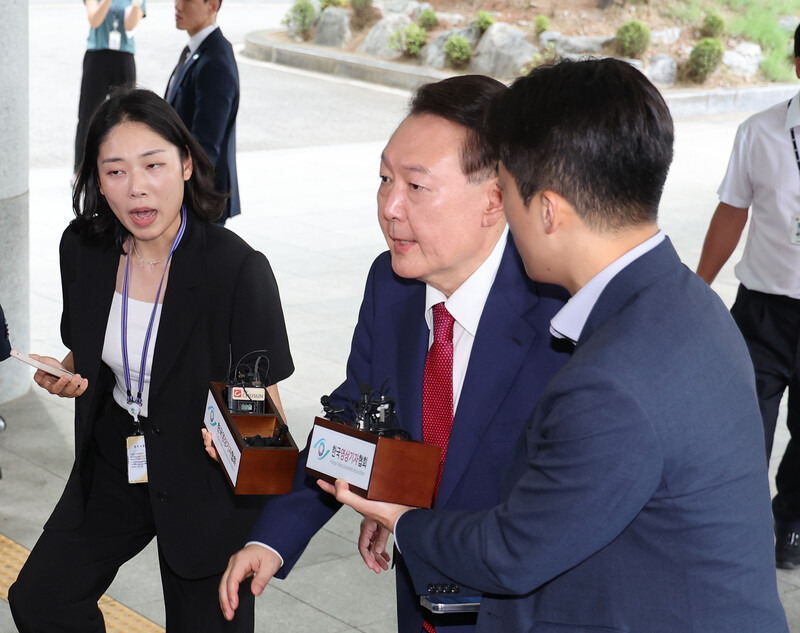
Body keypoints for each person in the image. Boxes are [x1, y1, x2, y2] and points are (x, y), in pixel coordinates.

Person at [321, 59, 790, 632]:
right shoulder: (685, 300)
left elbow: (513, 551)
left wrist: (402, 518)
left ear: (547, 210)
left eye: (508, 192)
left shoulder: (613, 378)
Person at [215, 75, 571, 633]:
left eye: (416, 185)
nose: (389, 207)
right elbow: (354, 420)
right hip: (423, 595)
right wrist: (274, 538)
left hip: (527, 609)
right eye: (384, 179)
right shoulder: (392, 284)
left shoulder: (558, 309)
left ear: (495, 199)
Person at [8, 88, 293, 633]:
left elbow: (266, 421)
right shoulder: (84, 248)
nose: (136, 187)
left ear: (185, 164)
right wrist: (68, 374)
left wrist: (251, 472)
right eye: (115, 171)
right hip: (119, 455)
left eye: (153, 165)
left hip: (206, 475)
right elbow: (95, 349)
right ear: (97, 179)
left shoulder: (236, 269)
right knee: (42, 599)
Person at [696, 25, 800, 570]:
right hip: (762, 311)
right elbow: (732, 211)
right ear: (799, 66)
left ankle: (792, 524)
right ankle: (742, 529)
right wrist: (698, 285)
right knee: (743, 426)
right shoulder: (760, 132)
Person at [166, 0, 240, 225]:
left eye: (187, 0)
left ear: (212, 6)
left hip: (200, 200)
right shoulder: (196, 49)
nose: (178, 6)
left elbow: (206, 145)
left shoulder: (215, 60)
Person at [75, 0, 145, 174]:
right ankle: (81, 170)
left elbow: (130, 26)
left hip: (124, 57)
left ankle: (123, 167)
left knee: (126, 115)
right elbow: (94, 21)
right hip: (97, 57)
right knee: (88, 115)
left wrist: (136, 5)